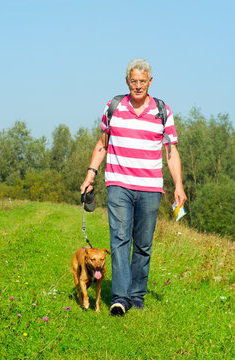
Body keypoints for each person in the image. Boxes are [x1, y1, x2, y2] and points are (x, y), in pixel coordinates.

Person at [80, 58, 186, 316]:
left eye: (143, 81)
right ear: (127, 81)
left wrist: (179, 186)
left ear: (150, 82)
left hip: (150, 188)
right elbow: (103, 143)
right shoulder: (114, 106)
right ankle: (119, 298)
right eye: (133, 81)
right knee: (119, 240)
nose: (138, 86)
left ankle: (136, 294)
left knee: (143, 244)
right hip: (119, 185)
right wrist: (90, 175)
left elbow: (171, 153)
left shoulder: (162, 110)